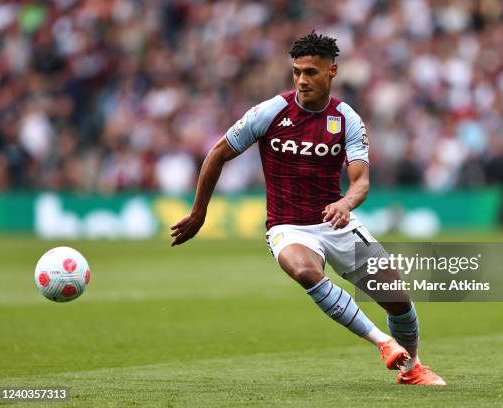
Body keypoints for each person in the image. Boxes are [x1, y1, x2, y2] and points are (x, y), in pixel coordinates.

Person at [170, 32, 445, 385]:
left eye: (311, 72)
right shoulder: (270, 112)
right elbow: (217, 153)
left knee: (397, 299)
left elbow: (361, 181)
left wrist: (345, 203)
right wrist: (198, 213)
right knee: (304, 271)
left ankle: (412, 368)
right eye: (297, 72)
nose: (302, 80)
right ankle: (383, 342)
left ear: (332, 71)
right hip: (288, 227)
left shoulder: (347, 120)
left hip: (336, 221)